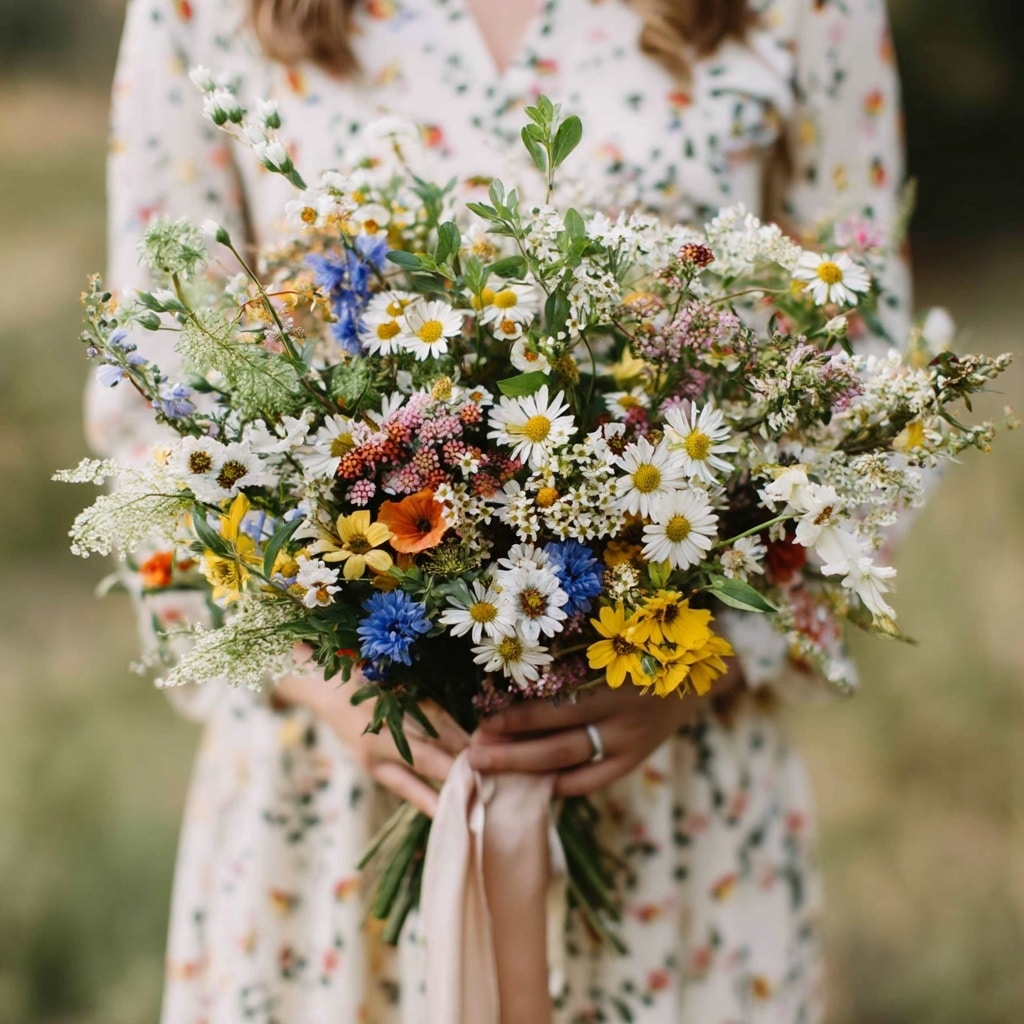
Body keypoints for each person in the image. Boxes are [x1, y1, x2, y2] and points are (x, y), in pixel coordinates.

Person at [87, 0, 909, 1020]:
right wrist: (323, 673)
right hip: (334, 816)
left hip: (673, 803)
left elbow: (871, 382)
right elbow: (149, 407)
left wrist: (714, 649)